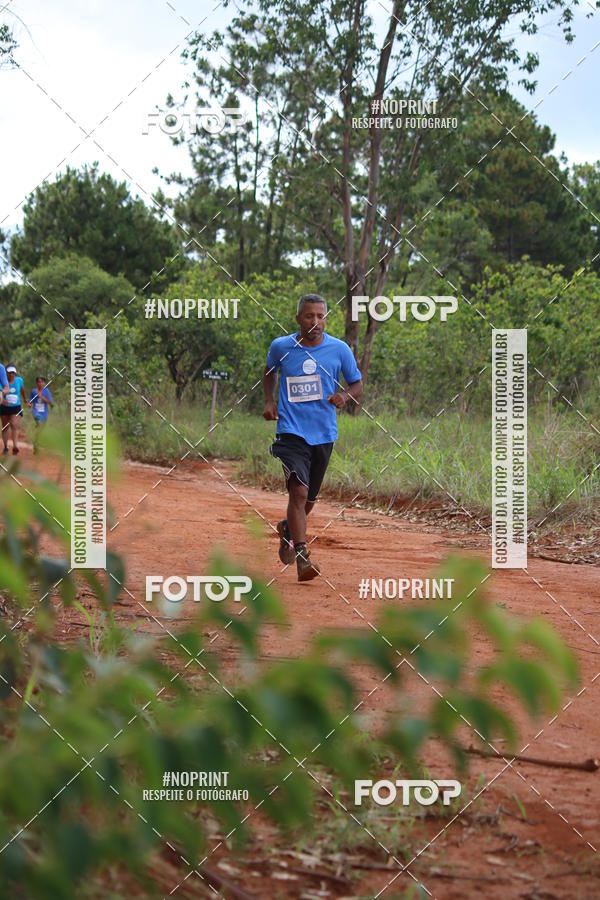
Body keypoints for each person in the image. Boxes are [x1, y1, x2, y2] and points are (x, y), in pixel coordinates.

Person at [262, 293, 363, 582]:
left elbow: (357, 383)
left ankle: (289, 530)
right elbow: (269, 371)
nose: (315, 321)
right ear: (298, 319)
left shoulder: (339, 349)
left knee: (309, 501)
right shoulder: (282, 346)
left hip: (324, 434)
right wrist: (269, 402)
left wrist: (344, 395)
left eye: (320, 316)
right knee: (299, 493)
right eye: (309, 316)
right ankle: (303, 556)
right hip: (291, 432)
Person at [1, 365, 26, 455]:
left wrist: (25, 399)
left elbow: (22, 390)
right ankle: (6, 447)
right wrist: (3, 400)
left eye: (13, 373)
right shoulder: (2, 381)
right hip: (4, 407)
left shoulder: (19, 380)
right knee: (5, 427)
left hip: (16, 407)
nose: (11, 374)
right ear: (6, 373)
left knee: (14, 424)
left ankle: (15, 446)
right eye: (9, 373)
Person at [28, 376, 54, 454]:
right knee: (39, 424)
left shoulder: (46, 391)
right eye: (39, 382)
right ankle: (36, 443)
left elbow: (50, 402)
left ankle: (36, 442)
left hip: (44, 413)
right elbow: (30, 401)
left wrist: (41, 397)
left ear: (44, 383)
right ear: (37, 383)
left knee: (40, 430)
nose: (40, 383)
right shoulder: (33, 391)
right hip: (36, 412)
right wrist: (29, 404)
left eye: (42, 382)